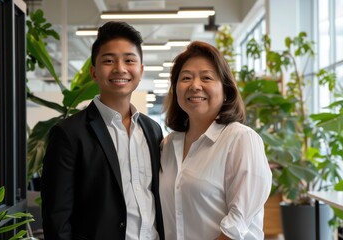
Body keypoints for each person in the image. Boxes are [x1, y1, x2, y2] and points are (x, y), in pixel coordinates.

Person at [41, 21, 165, 240]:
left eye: (129, 60)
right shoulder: (69, 133)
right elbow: (56, 218)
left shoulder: (152, 130)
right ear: (93, 72)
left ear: (141, 70)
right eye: (109, 60)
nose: (120, 68)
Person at [159, 41, 272, 240]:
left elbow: (237, 226)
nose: (195, 86)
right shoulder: (168, 145)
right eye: (186, 78)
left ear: (226, 90)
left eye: (207, 78)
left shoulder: (241, 140)